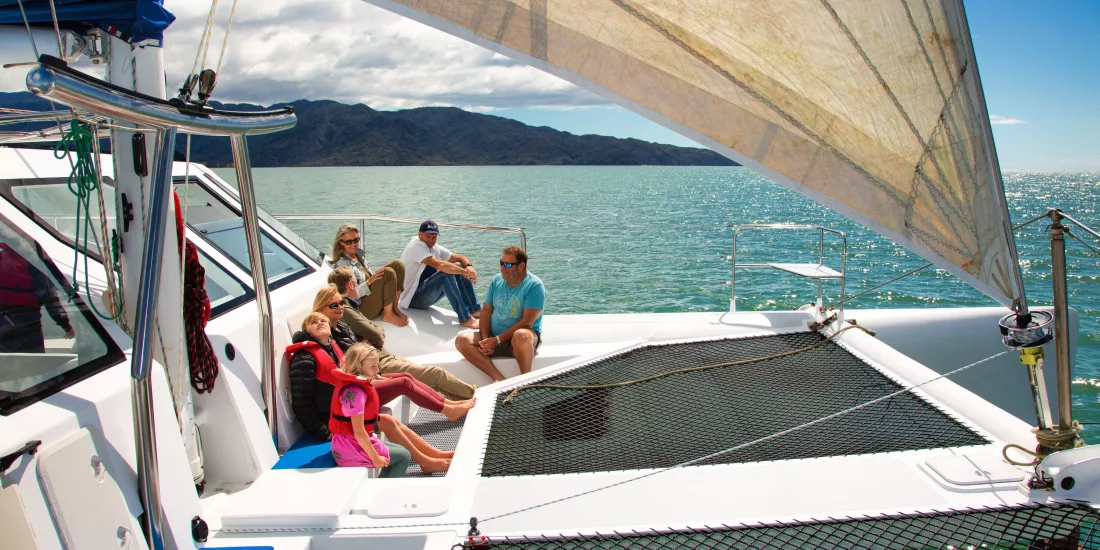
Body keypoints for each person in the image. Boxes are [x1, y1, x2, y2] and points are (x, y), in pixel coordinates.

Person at [312, 284, 474, 421]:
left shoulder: (342, 327)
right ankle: (467, 400)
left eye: (341, 303)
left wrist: (363, 350)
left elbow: (356, 352)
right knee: (428, 376)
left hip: (371, 369)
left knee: (410, 377)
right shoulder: (325, 336)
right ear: (320, 308)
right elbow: (344, 366)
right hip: (363, 382)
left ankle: (455, 404)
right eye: (334, 305)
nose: (340, 308)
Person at [328, 268, 477, 401]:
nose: (338, 307)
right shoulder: (346, 310)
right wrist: (372, 336)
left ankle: (466, 402)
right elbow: (376, 333)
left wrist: (371, 336)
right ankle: (476, 395)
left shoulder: (347, 310)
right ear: (351, 285)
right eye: (334, 305)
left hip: (382, 357)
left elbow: (372, 333)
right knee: (436, 374)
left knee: (431, 379)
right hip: (379, 363)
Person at [455, 246, 545, 382]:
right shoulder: (496, 281)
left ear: (521, 266)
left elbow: (527, 322)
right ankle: (499, 380)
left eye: (508, 264)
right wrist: (486, 340)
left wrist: (497, 340)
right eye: (501, 263)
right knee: (462, 340)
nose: (503, 268)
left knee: (521, 335)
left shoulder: (534, 286)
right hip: (494, 338)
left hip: (520, 341)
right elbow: (486, 312)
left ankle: (526, 381)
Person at [328, 342, 411, 477]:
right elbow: (359, 432)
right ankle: (384, 495)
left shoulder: (357, 385)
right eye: (372, 366)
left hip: (347, 442)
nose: (377, 370)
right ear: (357, 367)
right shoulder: (355, 394)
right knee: (403, 456)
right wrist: (375, 458)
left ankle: (382, 486)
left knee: (402, 450)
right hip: (350, 448)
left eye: (377, 365)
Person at [399, 220, 481, 329]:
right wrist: (467, 273)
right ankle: (465, 318)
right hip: (412, 299)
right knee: (445, 275)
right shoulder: (415, 247)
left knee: (458, 268)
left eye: (434, 237)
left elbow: (459, 258)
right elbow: (440, 265)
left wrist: (468, 266)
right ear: (420, 235)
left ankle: (474, 310)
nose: (431, 240)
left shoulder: (434, 247)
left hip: (424, 292)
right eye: (428, 236)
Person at [329, 222, 408, 327]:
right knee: (388, 273)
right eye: (348, 242)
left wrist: (375, 275)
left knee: (397, 265)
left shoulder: (358, 255)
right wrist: (371, 280)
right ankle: (388, 314)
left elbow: (366, 277)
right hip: (362, 306)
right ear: (341, 243)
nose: (353, 244)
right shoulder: (342, 265)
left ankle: (394, 307)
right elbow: (348, 295)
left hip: (371, 295)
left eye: (356, 240)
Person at [0, 242, 74, 353]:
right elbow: (50, 298)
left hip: (3, 322)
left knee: (7, 363)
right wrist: (65, 324)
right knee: (33, 361)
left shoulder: (2, 258)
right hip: (28, 324)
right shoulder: (34, 262)